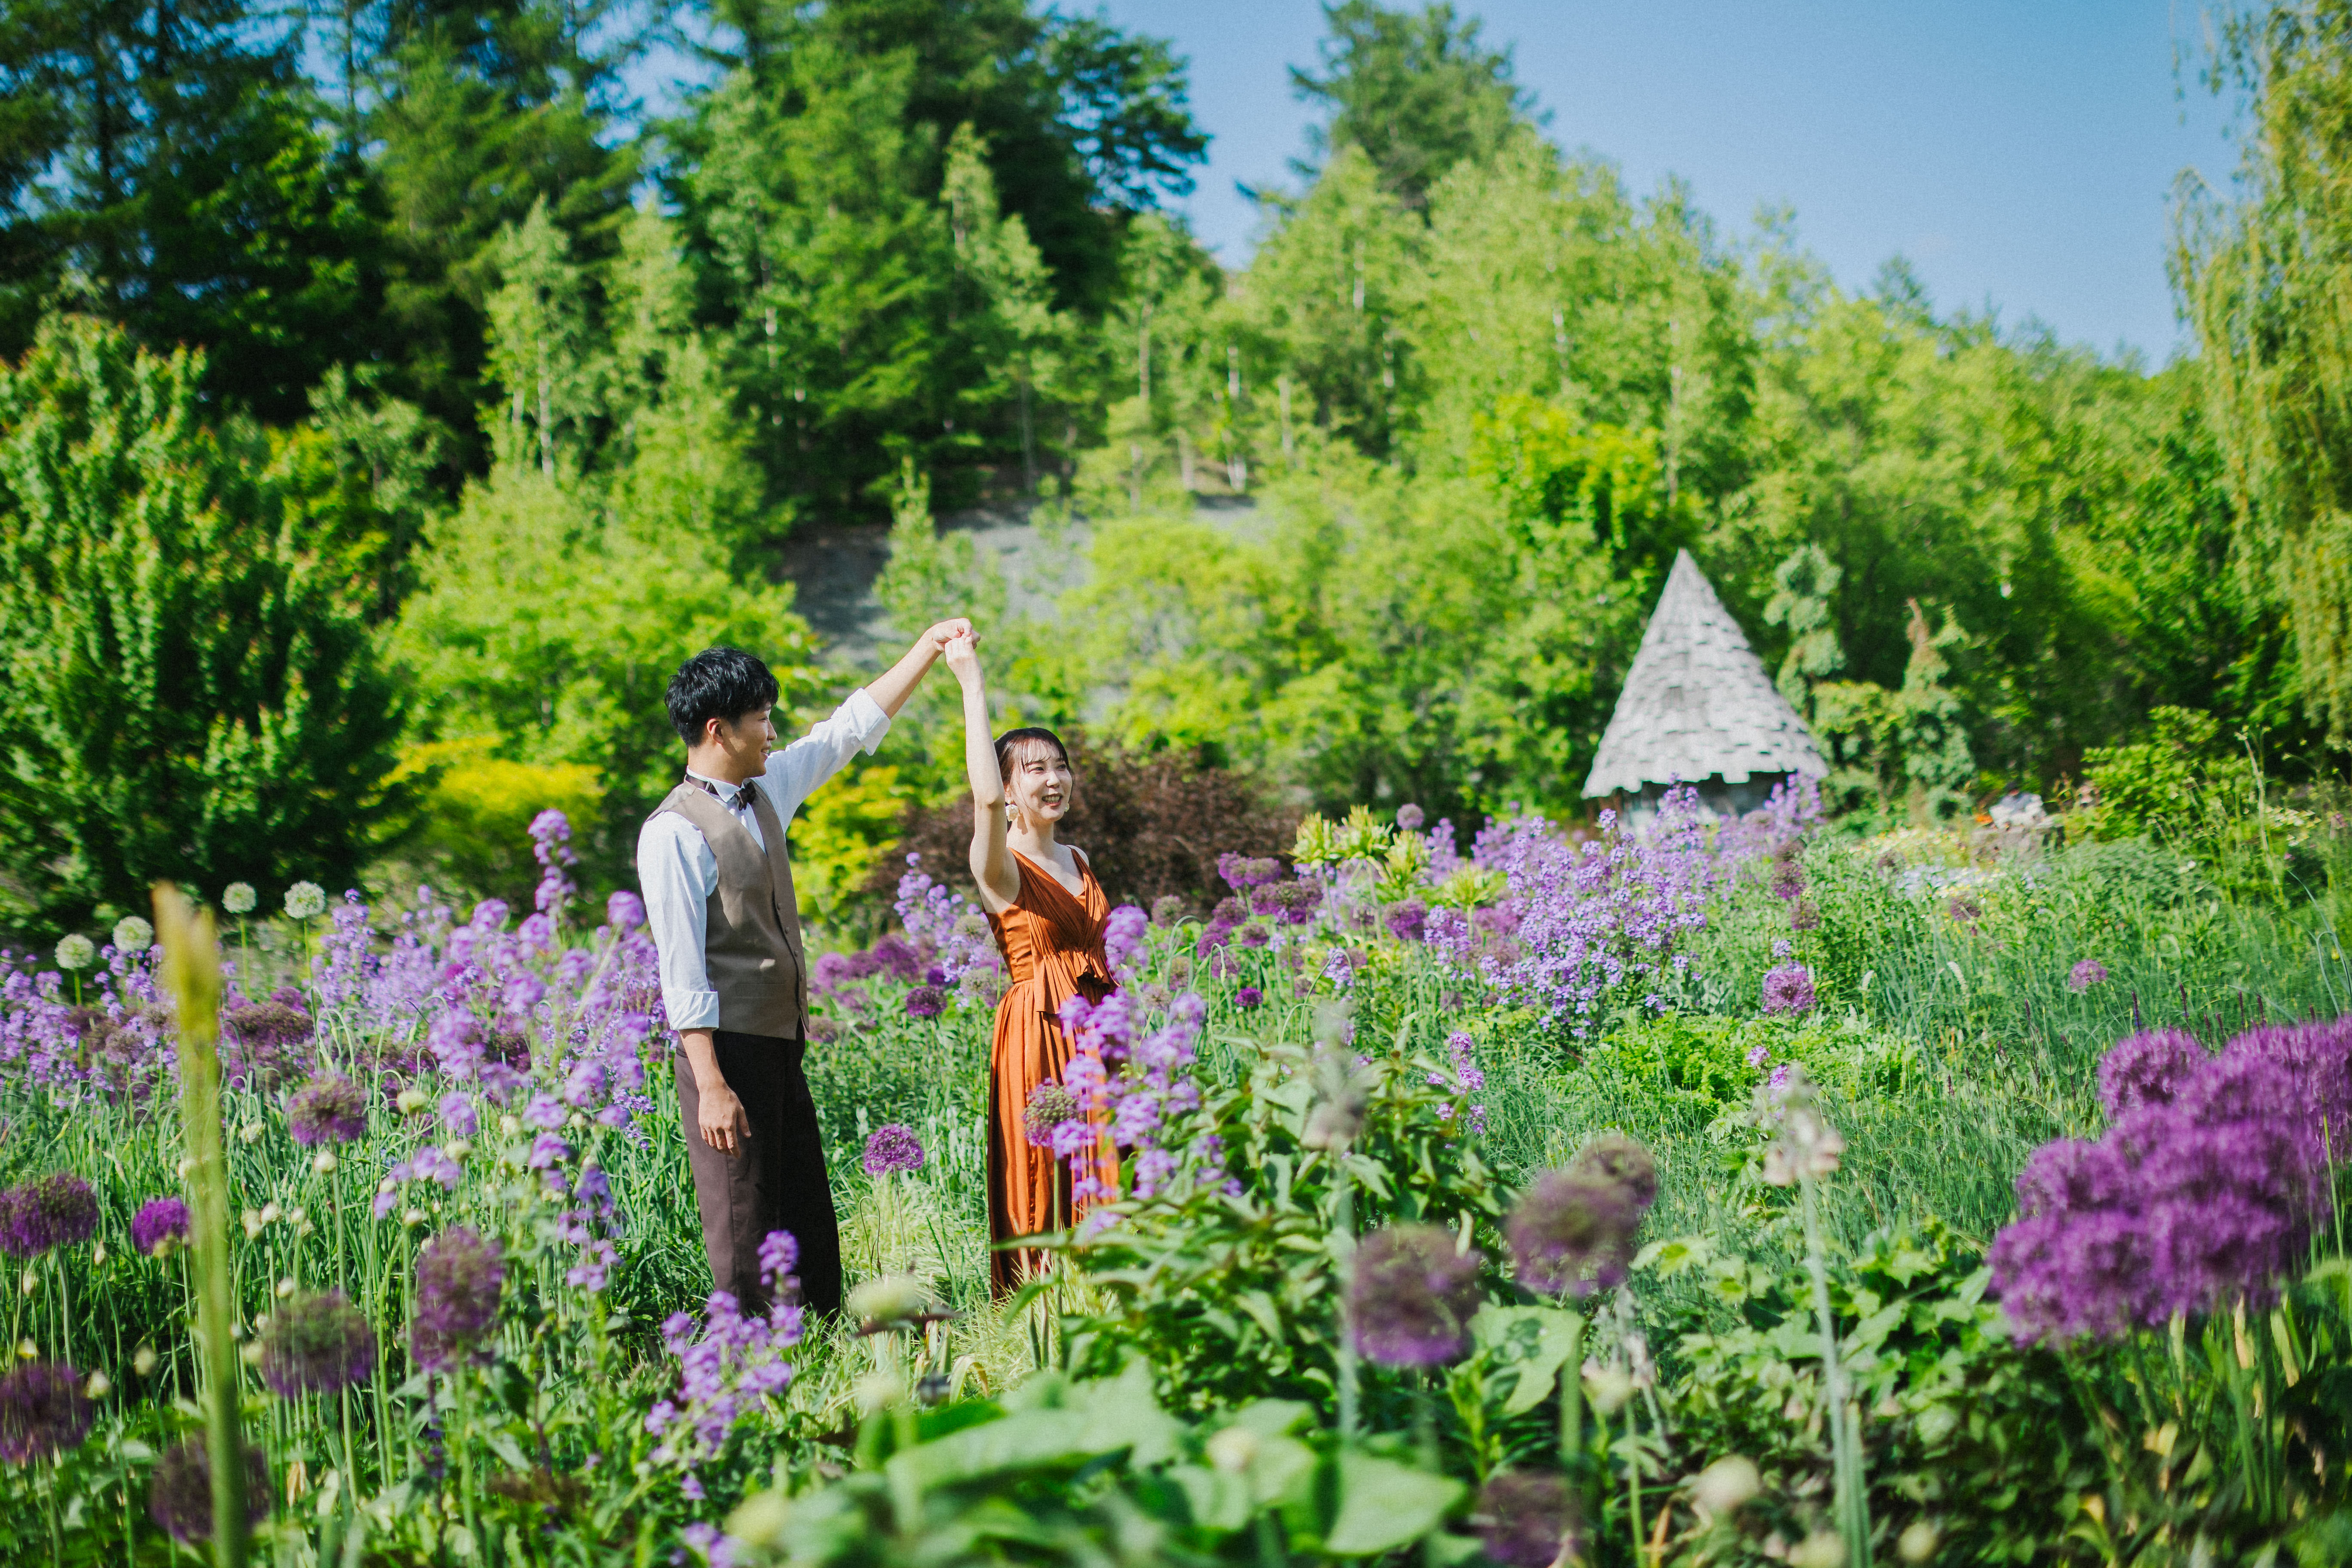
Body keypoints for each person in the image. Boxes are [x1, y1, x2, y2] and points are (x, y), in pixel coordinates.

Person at [638, 625, 969, 1317]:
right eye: (761, 720)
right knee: (743, 1217)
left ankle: (819, 1343)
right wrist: (711, 1086)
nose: (772, 733)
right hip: (724, 1051)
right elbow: (681, 970)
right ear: (718, 730)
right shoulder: (672, 832)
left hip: (781, 1042)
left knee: (805, 1210)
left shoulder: (767, 790)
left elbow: (846, 730)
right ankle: (744, 1358)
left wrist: (926, 649)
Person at [941, 628, 1120, 1295]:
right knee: (1047, 1171)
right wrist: (971, 681)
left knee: (1115, 1164)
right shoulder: (999, 867)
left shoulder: (1079, 860)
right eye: (1035, 770)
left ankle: (1110, 1295)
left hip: (1100, 1031)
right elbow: (984, 802)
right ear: (1011, 789)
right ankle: (1044, 1308)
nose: (1054, 779)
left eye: (1060, 766)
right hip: (1039, 1034)